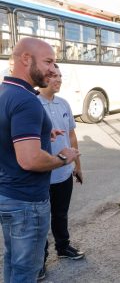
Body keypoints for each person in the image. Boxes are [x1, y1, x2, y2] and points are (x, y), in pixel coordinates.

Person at [0, 37, 80, 283]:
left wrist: (45, 133)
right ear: (26, 59)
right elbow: (30, 160)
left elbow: (7, 136)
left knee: (13, 261)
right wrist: (63, 158)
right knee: (27, 270)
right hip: (27, 201)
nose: (53, 69)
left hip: (8, 195)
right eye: (48, 61)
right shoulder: (27, 101)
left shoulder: (5, 92)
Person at [37, 64, 84, 280]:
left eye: (60, 76)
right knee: (41, 221)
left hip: (64, 174)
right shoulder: (33, 105)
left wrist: (78, 166)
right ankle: (39, 260)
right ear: (43, 77)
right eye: (54, 76)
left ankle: (63, 248)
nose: (59, 80)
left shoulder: (63, 103)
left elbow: (71, 136)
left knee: (61, 214)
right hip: (43, 175)